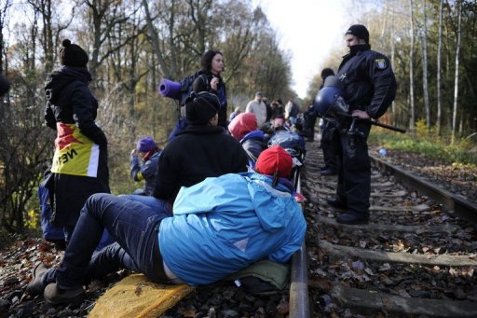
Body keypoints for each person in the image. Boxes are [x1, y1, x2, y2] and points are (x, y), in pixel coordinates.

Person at [26, 146, 307, 305]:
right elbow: (279, 256)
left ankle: (66, 283)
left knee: (97, 203)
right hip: (189, 273)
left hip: (164, 249)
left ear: (258, 168)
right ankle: (50, 279)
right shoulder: (296, 220)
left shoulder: (236, 185)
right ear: (288, 177)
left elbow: (182, 204)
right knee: (114, 252)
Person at [327, 24, 396, 225]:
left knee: (355, 162)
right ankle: (344, 200)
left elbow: (386, 84)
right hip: (343, 119)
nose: (347, 44)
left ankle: (358, 211)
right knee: (343, 160)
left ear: (361, 39)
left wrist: (371, 112)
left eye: (350, 40)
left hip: (357, 120)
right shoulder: (348, 62)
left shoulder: (374, 58)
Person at [44, 39, 110, 244]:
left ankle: (73, 264)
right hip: (84, 161)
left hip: (62, 160)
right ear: (82, 65)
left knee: (69, 215)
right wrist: (101, 139)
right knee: (89, 210)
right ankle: (86, 265)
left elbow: (49, 119)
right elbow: (84, 123)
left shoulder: (56, 88)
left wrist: (66, 133)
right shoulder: (79, 88)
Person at [153, 91, 248, 204]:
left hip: (182, 213)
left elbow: (161, 191)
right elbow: (243, 184)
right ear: (212, 118)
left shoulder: (173, 147)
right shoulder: (233, 146)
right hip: (225, 212)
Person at [192, 50, 228, 128]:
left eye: (222, 61)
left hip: (221, 127)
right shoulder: (200, 80)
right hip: (205, 128)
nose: (221, 63)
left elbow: (223, 107)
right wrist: (212, 90)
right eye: (218, 60)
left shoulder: (221, 83)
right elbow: (198, 107)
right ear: (209, 61)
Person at [318, 68, 339, 176]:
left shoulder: (330, 86)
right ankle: (328, 165)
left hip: (333, 119)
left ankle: (332, 166)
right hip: (328, 119)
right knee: (326, 142)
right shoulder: (333, 84)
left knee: (329, 143)